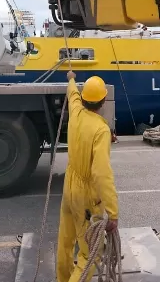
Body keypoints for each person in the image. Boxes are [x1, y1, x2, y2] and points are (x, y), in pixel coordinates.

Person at [57, 69, 119, 282]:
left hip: (69, 184)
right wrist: (112, 213)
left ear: (84, 99)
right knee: (90, 254)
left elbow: (72, 93)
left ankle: (62, 278)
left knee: (65, 242)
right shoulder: (101, 130)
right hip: (86, 195)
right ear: (102, 102)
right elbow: (101, 173)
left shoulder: (76, 112)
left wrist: (71, 79)